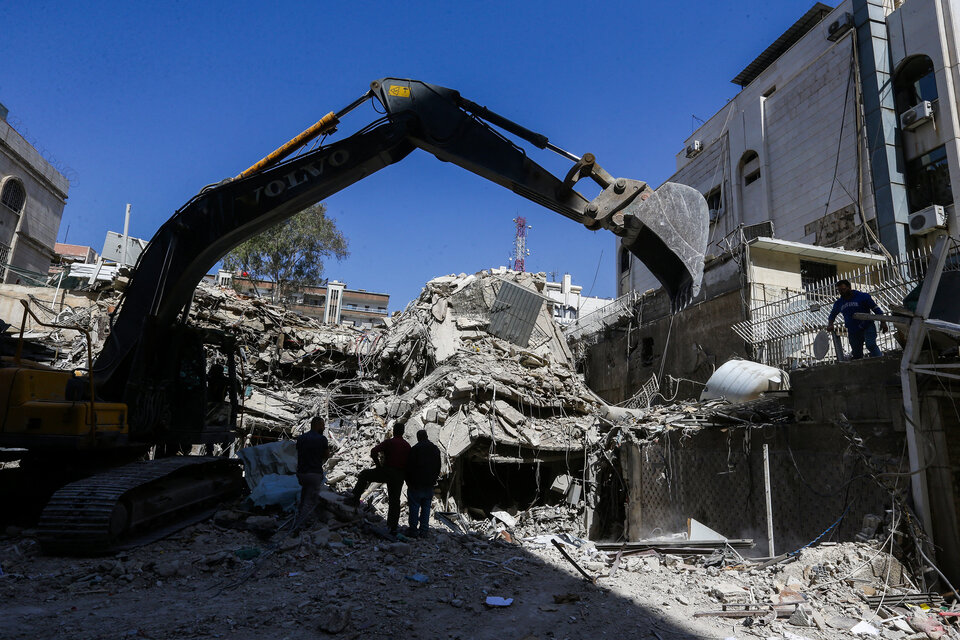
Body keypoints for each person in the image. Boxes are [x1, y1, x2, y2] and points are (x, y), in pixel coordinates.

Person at [349, 422, 410, 535]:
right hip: (399, 475)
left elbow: (373, 451)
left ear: (394, 431)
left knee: (364, 474)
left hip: (386, 471)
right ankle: (392, 527)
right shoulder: (407, 445)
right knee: (394, 501)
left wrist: (378, 465)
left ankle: (354, 499)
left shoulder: (389, 442)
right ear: (403, 432)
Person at [827, 279, 889, 359]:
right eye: (839, 291)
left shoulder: (863, 296)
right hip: (853, 330)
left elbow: (876, 309)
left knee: (871, 345)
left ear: (849, 287)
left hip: (867, 326)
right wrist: (830, 324)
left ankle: (881, 361)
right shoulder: (839, 302)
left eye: (843, 289)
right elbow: (832, 315)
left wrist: (883, 322)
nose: (842, 292)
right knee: (857, 353)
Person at [293, 416, 330, 531]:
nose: (324, 427)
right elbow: (326, 455)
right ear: (317, 425)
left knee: (304, 496)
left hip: (301, 474)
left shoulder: (301, 438)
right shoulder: (322, 439)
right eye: (322, 425)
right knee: (309, 501)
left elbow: (299, 452)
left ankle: (301, 518)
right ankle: (298, 527)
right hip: (314, 474)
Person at [405, 429, 441, 539]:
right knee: (426, 508)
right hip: (429, 484)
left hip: (416, 484)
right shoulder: (435, 449)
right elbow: (438, 466)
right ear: (427, 436)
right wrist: (434, 479)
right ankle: (424, 531)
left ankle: (413, 531)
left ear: (418, 438)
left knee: (414, 507)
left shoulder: (415, 449)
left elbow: (408, 467)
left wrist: (409, 482)